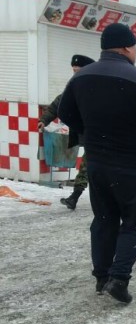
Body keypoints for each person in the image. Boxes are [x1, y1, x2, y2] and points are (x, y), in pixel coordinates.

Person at [58, 23, 136, 305]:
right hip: (130, 163)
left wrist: (90, 132)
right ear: (126, 47)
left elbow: (65, 112)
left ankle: (101, 277)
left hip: (97, 162)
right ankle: (119, 279)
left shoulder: (82, 77)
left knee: (104, 218)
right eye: (135, 46)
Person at [38, 54, 94, 210]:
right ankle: (75, 196)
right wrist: (44, 119)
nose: (75, 74)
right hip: (90, 135)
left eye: (78, 71)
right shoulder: (75, 86)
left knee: (96, 166)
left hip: (104, 134)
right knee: (88, 164)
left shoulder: (98, 85)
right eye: (74, 71)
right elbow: (59, 103)